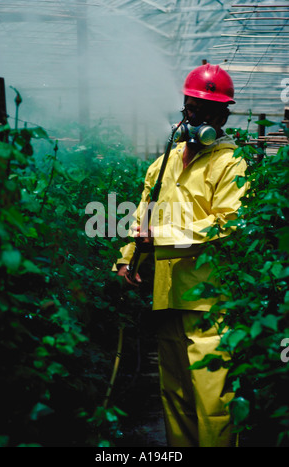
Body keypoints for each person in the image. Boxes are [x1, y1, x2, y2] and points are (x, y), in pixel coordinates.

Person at [114, 63, 247, 447]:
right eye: (194, 108)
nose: (199, 117)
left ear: (223, 117)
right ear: (184, 110)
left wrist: (161, 236)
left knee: (213, 401)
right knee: (175, 397)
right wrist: (127, 257)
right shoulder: (165, 163)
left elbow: (227, 225)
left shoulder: (230, 163)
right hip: (167, 294)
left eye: (210, 111)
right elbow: (144, 216)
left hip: (209, 300)